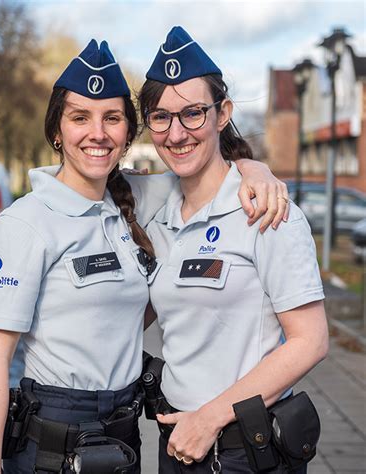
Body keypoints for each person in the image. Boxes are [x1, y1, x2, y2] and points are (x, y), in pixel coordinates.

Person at [0, 38, 289, 474]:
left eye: (113, 118)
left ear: (127, 135)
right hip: (54, 435)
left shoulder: (134, 199)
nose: (97, 133)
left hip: (123, 435)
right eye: (80, 117)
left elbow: (207, 167)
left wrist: (257, 170)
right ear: (56, 131)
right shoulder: (23, 225)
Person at [139, 26, 329, 473]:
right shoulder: (157, 213)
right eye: (161, 117)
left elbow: (311, 340)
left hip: (244, 449)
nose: (177, 132)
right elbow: (83, 167)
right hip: (179, 443)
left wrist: (210, 419)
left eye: (193, 113)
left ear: (223, 113)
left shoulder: (266, 211)